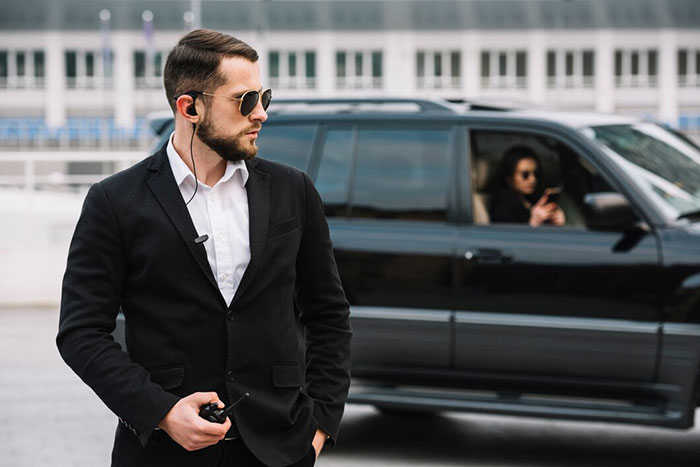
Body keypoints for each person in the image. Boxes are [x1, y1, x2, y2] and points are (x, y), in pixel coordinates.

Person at [56, 29, 352, 467]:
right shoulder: (115, 201)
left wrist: (319, 427)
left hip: (278, 448)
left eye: (263, 97)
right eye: (244, 100)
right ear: (190, 107)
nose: (262, 114)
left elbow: (329, 315)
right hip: (163, 454)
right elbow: (81, 332)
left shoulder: (293, 190)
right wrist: (161, 412)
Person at [489, 145, 565, 226]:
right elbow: (506, 236)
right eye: (525, 174)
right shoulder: (502, 205)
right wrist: (533, 223)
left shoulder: (532, 198)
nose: (533, 179)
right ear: (508, 177)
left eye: (535, 173)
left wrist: (554, 221)